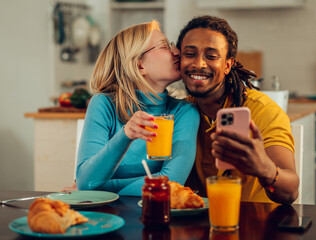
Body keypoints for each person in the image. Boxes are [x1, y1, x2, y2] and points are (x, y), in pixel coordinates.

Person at [177, 16, 299, 204]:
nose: (198, 64)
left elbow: (290, 193)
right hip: (199, 224)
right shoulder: (180, 111)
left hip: (257, 225)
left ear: (227, 65)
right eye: (190, 54)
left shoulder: (262, 111)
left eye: (211, 56)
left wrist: (264, 168)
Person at [71, 20, 199, 196]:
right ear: (140, 66)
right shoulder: (103, 104)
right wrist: (125, 135)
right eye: (164, 46)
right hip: (106, 218)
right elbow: (86, 181)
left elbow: (170, 182)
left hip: (155, 214)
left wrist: (101, 188)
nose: (177, 52)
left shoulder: (184, 112)